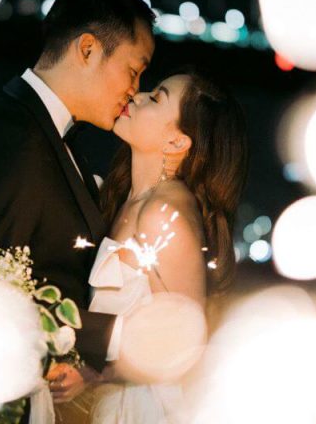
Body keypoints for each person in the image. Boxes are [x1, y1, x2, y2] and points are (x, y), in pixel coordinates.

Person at [0, 0, 157, 411]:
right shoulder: (11, 141)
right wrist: (125, 334)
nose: (135, 89)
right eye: (134, 70)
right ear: (87, 50)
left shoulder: (45, 133)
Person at [87, 70, 249, 423]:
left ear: (177, 143)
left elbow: (185, 343)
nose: (137, 96)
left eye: (156, 97)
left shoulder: (165, 213)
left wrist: (95, 373)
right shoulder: (123, 199)